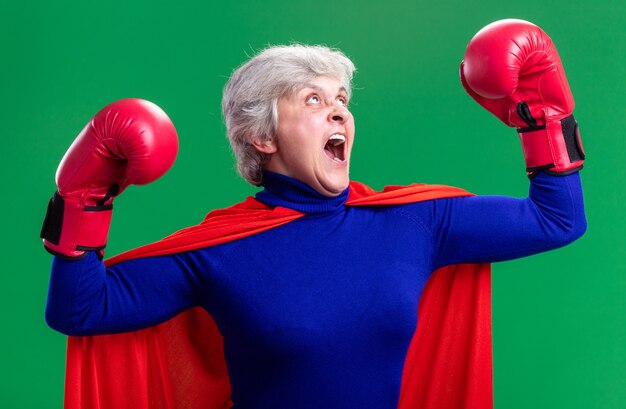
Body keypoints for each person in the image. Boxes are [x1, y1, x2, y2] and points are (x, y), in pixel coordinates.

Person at [42, 19, 586, 409]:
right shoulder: (217, 251)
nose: (339, 111)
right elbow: (81, 310)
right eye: (311, 99)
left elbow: (557, 220)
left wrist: (544, 117)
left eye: (343, 99)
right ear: (260, 135)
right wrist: (82, 199)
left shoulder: (417, 220)